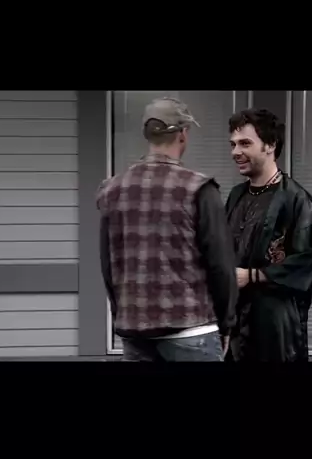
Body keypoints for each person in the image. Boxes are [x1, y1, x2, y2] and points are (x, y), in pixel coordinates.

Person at [97, 96, 238, 362]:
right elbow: (221, 265)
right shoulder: (199, 188)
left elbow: (108, 265)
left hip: (135, 333)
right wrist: (227, 322)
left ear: (147, 134)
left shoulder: (112, 189)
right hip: (192, 331)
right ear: (183, 134)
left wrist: (123, 315)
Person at [224, 108, 312, 362]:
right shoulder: (236, 196)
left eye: (245, 143)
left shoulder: (294, 199)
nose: (235, 151)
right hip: (236, 326)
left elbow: (308, 260)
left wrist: (251, 276)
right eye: (233, 144)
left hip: (276, 328)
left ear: (270, 145)